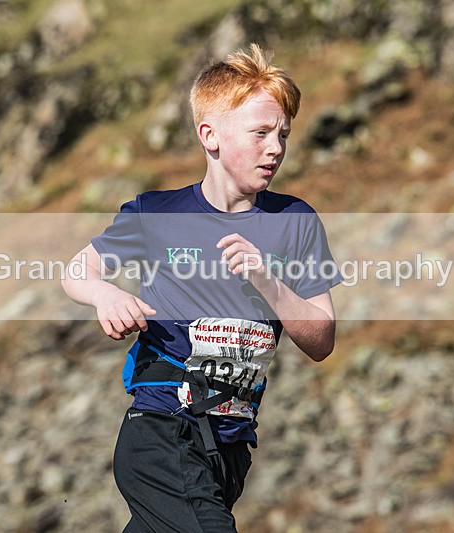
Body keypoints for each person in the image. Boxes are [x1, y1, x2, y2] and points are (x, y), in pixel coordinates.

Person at [62, 43, 341, 532]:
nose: (275, 148)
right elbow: (75, 272)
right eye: (260, 134)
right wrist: (106, 295)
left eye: (282, 134)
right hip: (161, 434)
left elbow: (321, 339)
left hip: (230, 451)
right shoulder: (157, 213)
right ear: (209, 135)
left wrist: (267, 280)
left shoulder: (296, 221)